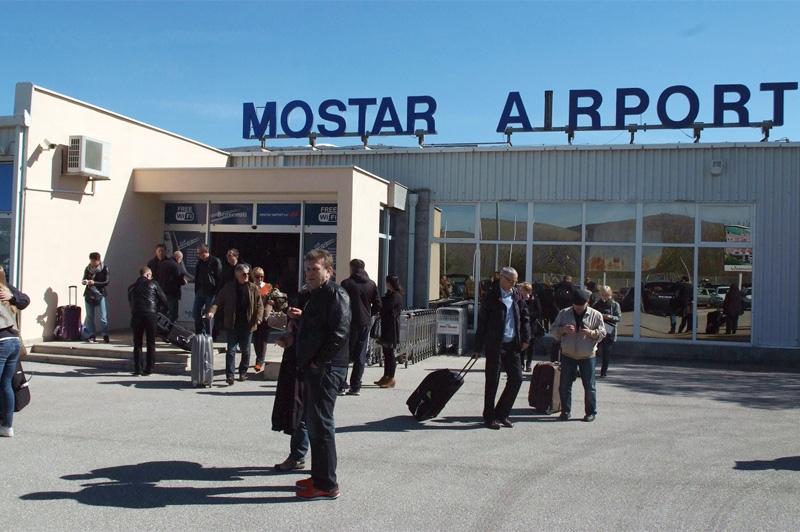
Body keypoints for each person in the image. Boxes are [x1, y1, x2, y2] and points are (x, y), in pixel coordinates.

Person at [291, 249, 350, 500]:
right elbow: (317, 329)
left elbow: (340, 332)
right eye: (307, 269)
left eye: (315, 269)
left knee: (322, 425)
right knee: (315, 425)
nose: (310, 274)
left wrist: (317, 362)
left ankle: (327, 485)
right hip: (315, 367)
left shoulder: (336, 294)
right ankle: (319, 476)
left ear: (328, 271)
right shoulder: (315, 295)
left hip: (327, 368)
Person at [472, 266, 530, 430]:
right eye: (511, 281)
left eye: (515, 281)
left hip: (513, 344)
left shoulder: (517, 295)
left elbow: (525, 316)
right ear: (502, 278)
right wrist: (477, 347)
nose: (513, 284)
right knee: (492, 381)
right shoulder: (491, 296)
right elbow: (482, 323)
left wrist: (526, 337)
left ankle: (502, 413)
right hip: (495, 344)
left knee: (517, 379)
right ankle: (489, 417)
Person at [552, 288, 606, 422]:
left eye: (581, 306)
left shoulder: (596, 315)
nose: (578, 308)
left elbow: (603, 333)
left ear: (587, 303)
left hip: (587, 355)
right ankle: (565, 411)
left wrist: (591, 333)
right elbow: (553, 330)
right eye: (576, 306)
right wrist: (563, 330)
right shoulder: (564, 313)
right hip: (568, 354)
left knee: (589, 386)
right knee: (564, 385)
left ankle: (591, 412)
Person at [272, 287, 311, 472]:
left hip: (307, 363)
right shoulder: (306, 297)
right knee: (298, 410)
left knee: (302, 412)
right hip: (295, 361)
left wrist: (303, 317)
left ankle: (298, 456)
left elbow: (323, 327)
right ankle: (298, 455)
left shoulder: (329, 298)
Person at [207, 263, 264, 385]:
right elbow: (218, 301)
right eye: (244, 274)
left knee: (246, 350)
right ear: (237, 275)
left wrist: (259, 318)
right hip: (232, 324)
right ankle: (230, 376)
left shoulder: (253, 288)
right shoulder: (229, 287)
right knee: (231, 350)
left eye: (248, 274)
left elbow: (259, 305)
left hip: (247, 324)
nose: (247, 276)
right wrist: (212, 312)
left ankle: (242, 372)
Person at [340, 258, 381, 396]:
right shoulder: (371, 284)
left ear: (352, 268)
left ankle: (341, 384)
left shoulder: (346, 283)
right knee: (360, 354)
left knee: (344, 353)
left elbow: (340, 303)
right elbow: (378, 304)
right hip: (364, 322)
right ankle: (356, 386)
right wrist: (370, 314)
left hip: (348, 322)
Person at [0, 266, 29, 438]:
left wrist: (13, 296)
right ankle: (7, 426)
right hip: (13, 340)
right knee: (5, 384)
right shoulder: (4, 288)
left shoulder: (7, 290)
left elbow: (24, 300)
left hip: (2, 341)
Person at [127, 266, 168, 376]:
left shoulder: (131, 287)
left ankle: (137, 369)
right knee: (151, 342)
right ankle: (149, 368)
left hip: (136, 316)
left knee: (137, 343)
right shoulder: (153, 284)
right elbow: (164, 299)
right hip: (150, 315)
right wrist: (158, 309)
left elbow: (131, 302)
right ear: (148, 275)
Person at [375, 274, 403, 388]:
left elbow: (387, 307)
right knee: (386, 353)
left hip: (392, 328)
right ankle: (386, 375)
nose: (386, 284)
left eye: (387, 282)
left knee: (390, 353)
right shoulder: (390, 294)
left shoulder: (396, 295)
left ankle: (391, 377)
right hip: (386, 326)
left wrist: (381, 305)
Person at [592, 285, 621, 377]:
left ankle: (603, 372)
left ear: (610, 294)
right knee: (593, 351)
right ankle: (590, 370)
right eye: (603, 294)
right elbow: (591, 316)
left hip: (609, 329)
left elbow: (618, 317)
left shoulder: (615, 304)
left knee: (606, 352)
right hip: (598, 329)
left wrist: (610, 317)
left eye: (607, 294)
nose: (605, 297)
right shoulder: (596, 304)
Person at [193, 244, 222, 335]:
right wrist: (197, 289)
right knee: (195, 312)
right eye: (197, 253)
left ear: (206, 252)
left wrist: (216, 293)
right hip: (200, 290)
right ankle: (199, 333)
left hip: (211, 292)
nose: (198, 255)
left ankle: (209, 335)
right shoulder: (199, 262)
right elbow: (197, 277)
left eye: (199, 253)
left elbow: (219, 278)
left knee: (209, 315)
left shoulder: (215, 261)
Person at [81, 252, 110, 343]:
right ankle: (92, 335)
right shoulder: (88, 268)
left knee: (103, 316)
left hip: (100, 294)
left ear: (98, 260)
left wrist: (95, 283)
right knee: (90, 316)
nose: (92, 263)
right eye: (91, 261)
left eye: (94, 261)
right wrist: (85, 281)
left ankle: (105, 334)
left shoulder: (104, 268)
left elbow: (106, 282)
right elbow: (84, 278)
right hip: (89, 294)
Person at [518, 282, 544, 372]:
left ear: (527, 290)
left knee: (530, 346)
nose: (520, 291)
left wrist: (528, 314)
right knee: (522, 345)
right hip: (521, 325)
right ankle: (521, 364)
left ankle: (528, 364)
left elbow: (539, 312)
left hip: (532, 325)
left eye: (522, 290)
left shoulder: (534, 299)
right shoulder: (519, 299)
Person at [252, 266, 273, 373]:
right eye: (257, 276)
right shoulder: (250, 287)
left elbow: (272, 300)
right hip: (253, 317)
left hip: (265, 317)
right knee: (256, 340)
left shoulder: (268, 286)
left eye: (262, 276)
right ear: (253, 277)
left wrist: (270, 306)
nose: (260, 279)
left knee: (263, 340)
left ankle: (260, 361)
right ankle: (258, 358)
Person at [157, 250, 188, 324]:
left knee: (163, 312)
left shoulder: (162, 263)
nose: (181, 261)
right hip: (172, 293)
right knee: (173, 314)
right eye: (181, 259)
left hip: (161, 292)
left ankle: (160, 329)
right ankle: (170, 330)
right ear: (178, 257)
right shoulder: (176, 266)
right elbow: (179, 279)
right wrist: (184, 282)